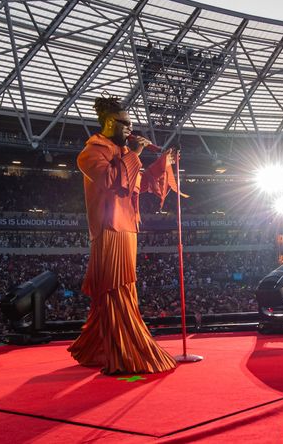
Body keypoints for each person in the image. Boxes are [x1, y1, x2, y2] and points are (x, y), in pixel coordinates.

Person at [67, 96, 179, 374]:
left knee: (122, 288)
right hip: (109, 227)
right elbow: (109, 180)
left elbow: (141, 184)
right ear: (108, 121)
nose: (130, 128)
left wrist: (162, 163)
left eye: (130, 124)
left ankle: (99, 347)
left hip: (127, 226)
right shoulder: (91, 152)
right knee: (114, 289)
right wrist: (135, 155)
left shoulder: (122, 154)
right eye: (125, 123)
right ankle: (122, 351)